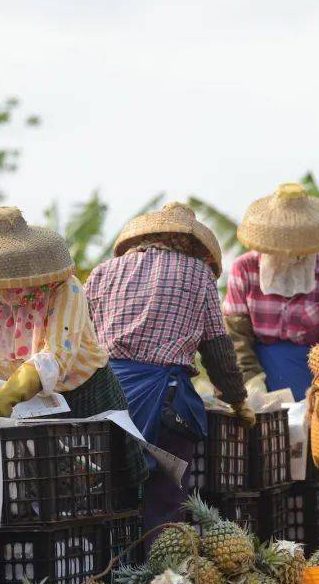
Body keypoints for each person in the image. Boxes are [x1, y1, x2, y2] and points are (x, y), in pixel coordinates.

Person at [85, 201, 254, 534]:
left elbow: (82, 340)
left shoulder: (103, 272)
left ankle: (112, 574)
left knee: (109, 494)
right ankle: (163, 578)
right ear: (193, 245)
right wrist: (236, 400)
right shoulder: (198, 274)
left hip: (106, 398)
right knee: (163, 500)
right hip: (166, 403)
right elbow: (217, 351)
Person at [0, 206, 131, 420]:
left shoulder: (64, 289)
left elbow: (57, 355)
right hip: (29, 405)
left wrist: (12, 391)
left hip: (89, 396)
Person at [223, 183, 319, 400]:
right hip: (257, 360)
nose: (290, 254)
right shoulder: (244, 269)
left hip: (309, 368)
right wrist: (250, 379)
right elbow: (237, 333)